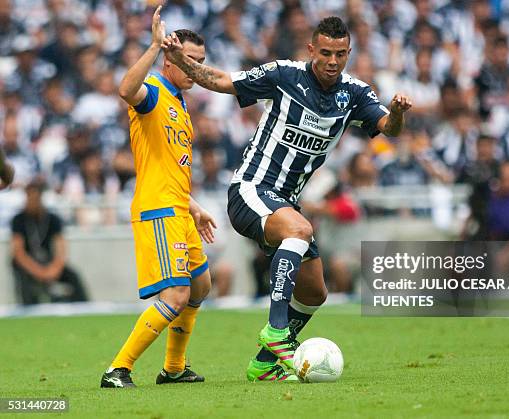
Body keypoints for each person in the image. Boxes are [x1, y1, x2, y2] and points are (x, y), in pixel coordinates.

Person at [162, 16, 411, 382]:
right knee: (300, 228)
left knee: (314, 292)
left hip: (285, 203)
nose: (332, 61)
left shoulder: (354, 93)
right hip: (250, 189)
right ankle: (276, 331)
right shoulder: (284, 75)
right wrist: (182, 61)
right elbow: (221, 81)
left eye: (340, 54)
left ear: (349, 54)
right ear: (311, 49)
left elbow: (388, 128)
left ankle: (264, 363)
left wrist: (399, 115)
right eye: (325, 52)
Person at [101, 6, 217, 389]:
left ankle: (173, 368)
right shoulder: (153, 93)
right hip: (157, 210)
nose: (195, 68)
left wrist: (195, 207)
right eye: (188, 59)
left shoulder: (182, 107)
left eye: (200, 61)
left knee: (200, 286)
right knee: (177, 292)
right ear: (170, 58)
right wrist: (153, 46)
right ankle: (117, 369)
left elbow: (171, 168)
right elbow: (124, 90)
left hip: (179, 208)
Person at [10, 179, 87, 305]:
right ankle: (29, 309)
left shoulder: (52, 219)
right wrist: (39, 272)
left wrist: (54, 269)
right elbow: (19, 253)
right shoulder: (18, 220)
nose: (31, 201)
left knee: (72, 276)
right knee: (24, 281)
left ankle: (83, 307)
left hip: (48, 262)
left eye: (34, 197)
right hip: (28, 265)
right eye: (28, 197)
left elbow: (61, 248)